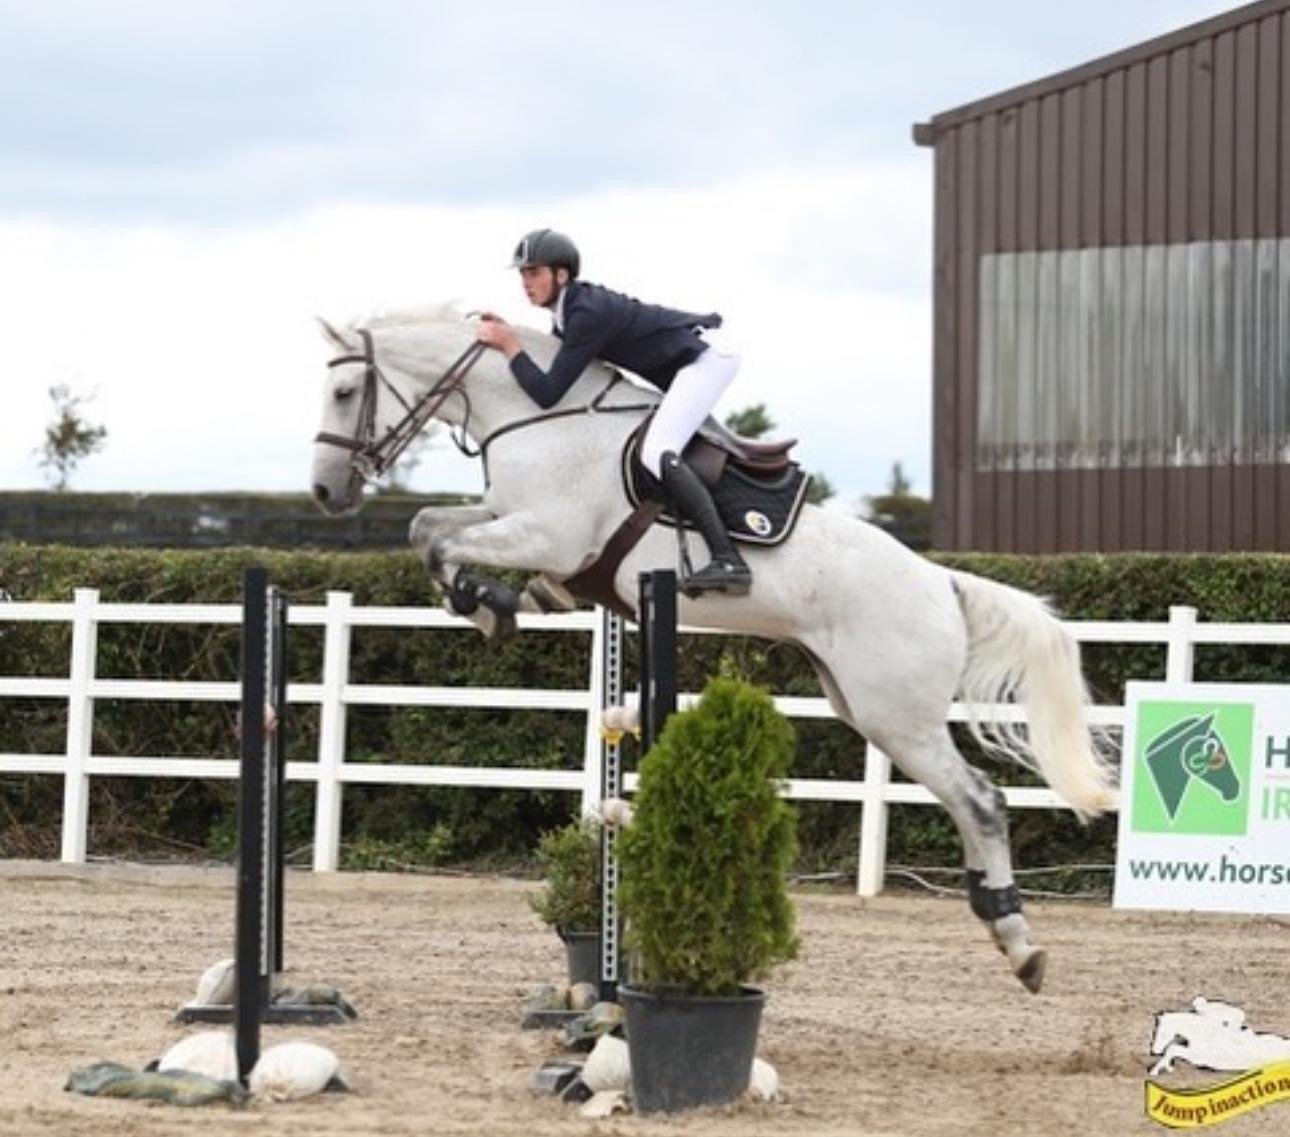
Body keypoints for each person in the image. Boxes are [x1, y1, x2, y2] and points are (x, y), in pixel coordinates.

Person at [475, 228, 751, 596]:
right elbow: (558, 375)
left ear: (562, 274)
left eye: (535, 272)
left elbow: (547, 393)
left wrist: (510, 345)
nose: (526, 282)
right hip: (685, 366)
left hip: (706, 360)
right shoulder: (567, 313)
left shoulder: (586, 312)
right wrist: (513, 339)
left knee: (656, 452)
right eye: (523, 274)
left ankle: (728, 559)